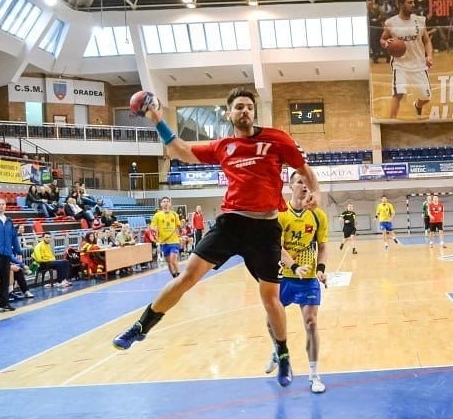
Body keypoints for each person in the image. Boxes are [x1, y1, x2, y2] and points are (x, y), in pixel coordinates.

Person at [111, 87, 321, 390]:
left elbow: (304, 169)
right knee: (186, 278)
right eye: (239, 107)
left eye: (249, 106)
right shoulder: (224, 146)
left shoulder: (276, 139)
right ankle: (141, 327)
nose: (245, 111)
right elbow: (181, 149)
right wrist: (157, 117)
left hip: (265, 229)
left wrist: (314, 192)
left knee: (270, 299)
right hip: (231, 223)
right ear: (229, 113)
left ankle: (284, 355)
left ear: (254, 112)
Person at [265, 171, 329, 393]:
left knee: (311, 323)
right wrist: (293, 266)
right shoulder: (280, 215)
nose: (304, 186)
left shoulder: (318, 215)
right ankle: (279, 351)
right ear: (290, 186)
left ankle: (314, 375)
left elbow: (322, 246)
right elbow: (276, 247)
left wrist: (320, 269)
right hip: (283, 278)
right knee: (270, 323)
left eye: (307, 182)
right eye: (300, 182)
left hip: (308, 278)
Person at [380, 0, 434, 118]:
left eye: (413, 2)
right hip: (400, 65)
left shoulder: (419, 20)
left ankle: (418, 105)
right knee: (398, 94)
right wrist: (385, 43)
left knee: (426, 97)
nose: (413, 5)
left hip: (419, 65)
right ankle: (392, 122)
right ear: (401, 5)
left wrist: (429, 56)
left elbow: (426, 40)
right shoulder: (391, 22)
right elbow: (382, 39)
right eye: (410, 2)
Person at [151, 196, 182, 278]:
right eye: (164, 201)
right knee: (168, 262)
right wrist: (154, 229)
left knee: (173, 260)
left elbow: (179, 226)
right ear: (161, 204)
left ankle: (180, 277)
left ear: (170, 204)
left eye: (167, 201)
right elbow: (153, 226)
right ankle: (174, 276)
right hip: (164, 242)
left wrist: (179, 234)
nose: (166, 203)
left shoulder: (174, 215)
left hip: (174, 241)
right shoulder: (157, 215)